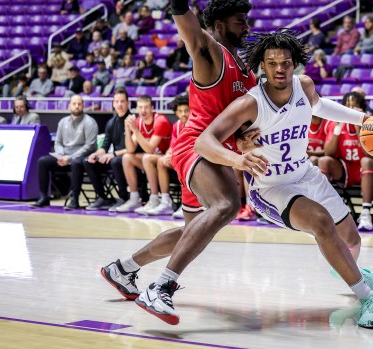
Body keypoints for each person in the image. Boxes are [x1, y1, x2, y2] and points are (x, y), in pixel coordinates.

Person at [195, 30, 373, 329]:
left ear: (294, 63)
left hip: (305, 173)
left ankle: (345, 269)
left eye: (285, 62)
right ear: (262, 66)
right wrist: (237, 158)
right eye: (272, 63)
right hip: (272, 187)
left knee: (352, 238)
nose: (280, 69)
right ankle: (367, 297)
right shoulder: (250, 103)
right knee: (322, 222)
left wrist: (363, 120)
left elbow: (321, 106)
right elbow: (204, 141)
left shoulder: (305, 86)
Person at [100, 0, 257, 324]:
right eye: (240, 21)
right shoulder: (212, 53)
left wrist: (247, 138)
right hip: (196, 146)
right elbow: (190, 32)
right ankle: (161, 287)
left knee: (192, 230)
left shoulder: (248, 73)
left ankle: (123, 269)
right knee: (226, 205)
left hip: (214, 153)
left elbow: (243, 125)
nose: (247, 27)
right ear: (219, 25)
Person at [318, 92, 373, 232]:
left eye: (355, 106)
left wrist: (359, 126)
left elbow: (369, 153)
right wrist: (338, 128)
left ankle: (365, 214)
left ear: (362, 108)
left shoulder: (370, 124)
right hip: (346, 169)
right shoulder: (334, 123)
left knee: (366, 161)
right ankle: (324, 211)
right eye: (348, 105)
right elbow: (328, 152)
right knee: (324, 161)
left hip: (370, 170)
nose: (351, 109)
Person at [30, 95, 98, 208]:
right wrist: (61, 155)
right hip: (64, 158)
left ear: (83, 106)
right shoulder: (62, 122)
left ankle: (74, 199)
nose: (77, 106)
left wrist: (70, 157)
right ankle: (44, 197)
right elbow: (58, 142)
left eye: (79, 104)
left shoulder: (90, 122)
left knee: (76, 163)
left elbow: (89, 146)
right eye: (74, 104)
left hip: (80, 158)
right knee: (42, 161)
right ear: (69, 106)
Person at [115, 95, 172, 213]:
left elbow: (150, 149)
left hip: (167, 158)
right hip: (152, 160)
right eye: (140, 107)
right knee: (127, 158)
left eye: (146, 107)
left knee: (147, 157)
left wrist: (135, 130)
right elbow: (130, 149)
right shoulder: (139, 122)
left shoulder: (160, 121)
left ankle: (154, 199)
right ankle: (134, 198)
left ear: (152, 108)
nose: (143, 111)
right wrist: (127, 128)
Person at [136, 95, 190, 216]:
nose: (183, 114)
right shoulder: (177, 126)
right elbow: (172, 147)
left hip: (193, 160)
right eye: (180, 111)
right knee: (159, 160)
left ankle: (188, 204)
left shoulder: (196, 125)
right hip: (179, 160)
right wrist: (167, 155)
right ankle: (164, 201)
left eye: (186, 111)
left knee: (182, 162)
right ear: (176, 113)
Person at [82, 88, 131, 211]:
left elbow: (133, 149)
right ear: (113, 103)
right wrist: (96, 154)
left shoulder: (132, 120)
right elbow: (104, 146)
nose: (119, 104)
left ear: (128, 103)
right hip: (115, 156)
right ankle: (102, 197)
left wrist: (113, 154)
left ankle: (124, 197)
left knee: (115, 161)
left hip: (129, 158)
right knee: (88, 161)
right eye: (117, 101)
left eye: (122, 101)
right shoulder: (110, 123)